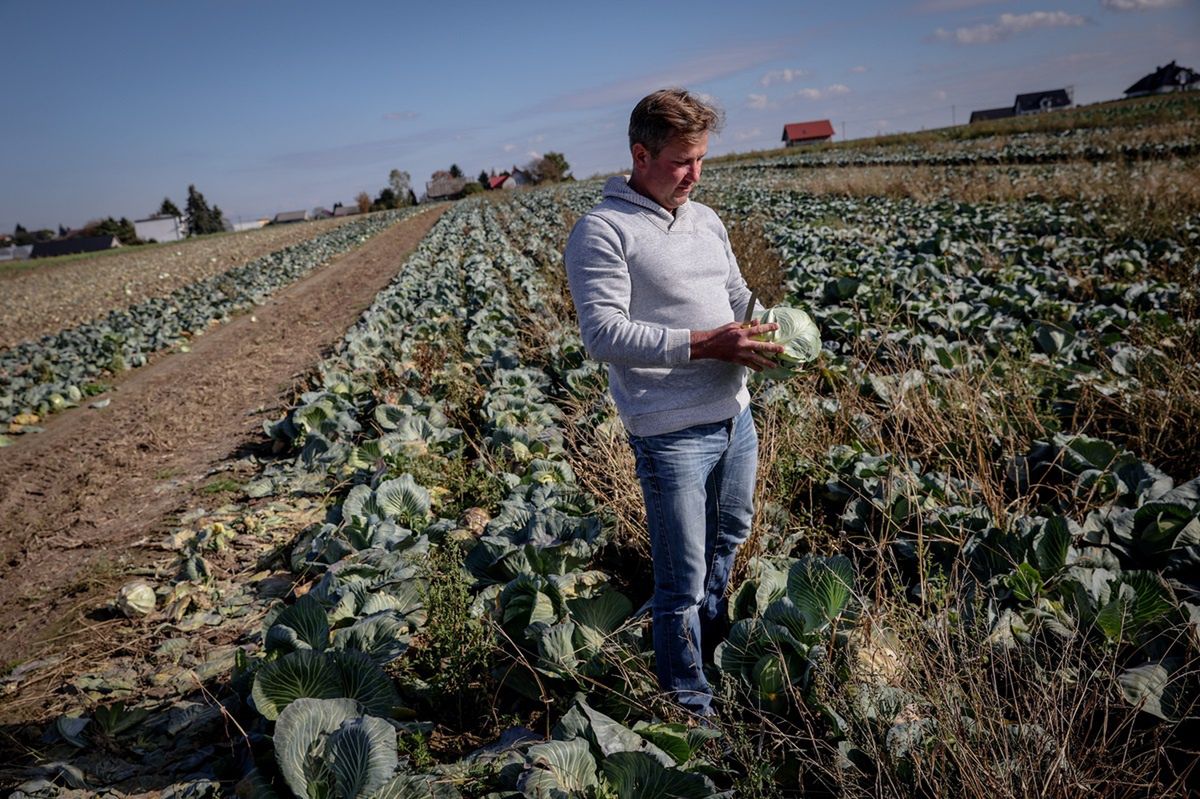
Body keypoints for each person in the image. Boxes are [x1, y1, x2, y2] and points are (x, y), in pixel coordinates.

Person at [563, 88, 784, 717]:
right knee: (680, 577)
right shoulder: (603, 231)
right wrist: (708, 344)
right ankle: (687, 702)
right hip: (670, 432)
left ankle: (710, 655)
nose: (695, 174)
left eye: (702, 159)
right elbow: (604, 334)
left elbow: (737, 294)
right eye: (683, 160)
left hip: (734, 417)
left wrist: (775, 329)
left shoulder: (706, 219)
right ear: (641, 153)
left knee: (727, 545)